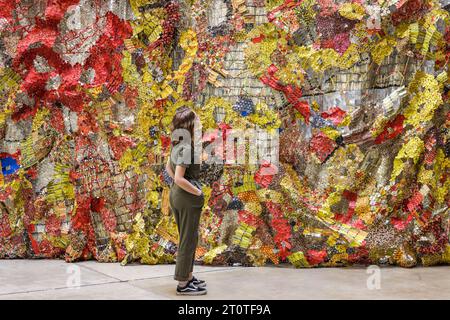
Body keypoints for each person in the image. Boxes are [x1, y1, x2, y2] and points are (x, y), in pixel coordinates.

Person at [165, 106, 207, 295]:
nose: (200, 123)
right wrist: (196, 192)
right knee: (187, 241)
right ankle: (183, 284)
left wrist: (182, 187)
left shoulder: (178, 142)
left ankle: (188, 276)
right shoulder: (187, 147)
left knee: (190, 238)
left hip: (178, 195)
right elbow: (179, 178)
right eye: (197, 121)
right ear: (190, 125)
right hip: (186, 198)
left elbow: (168, 168)